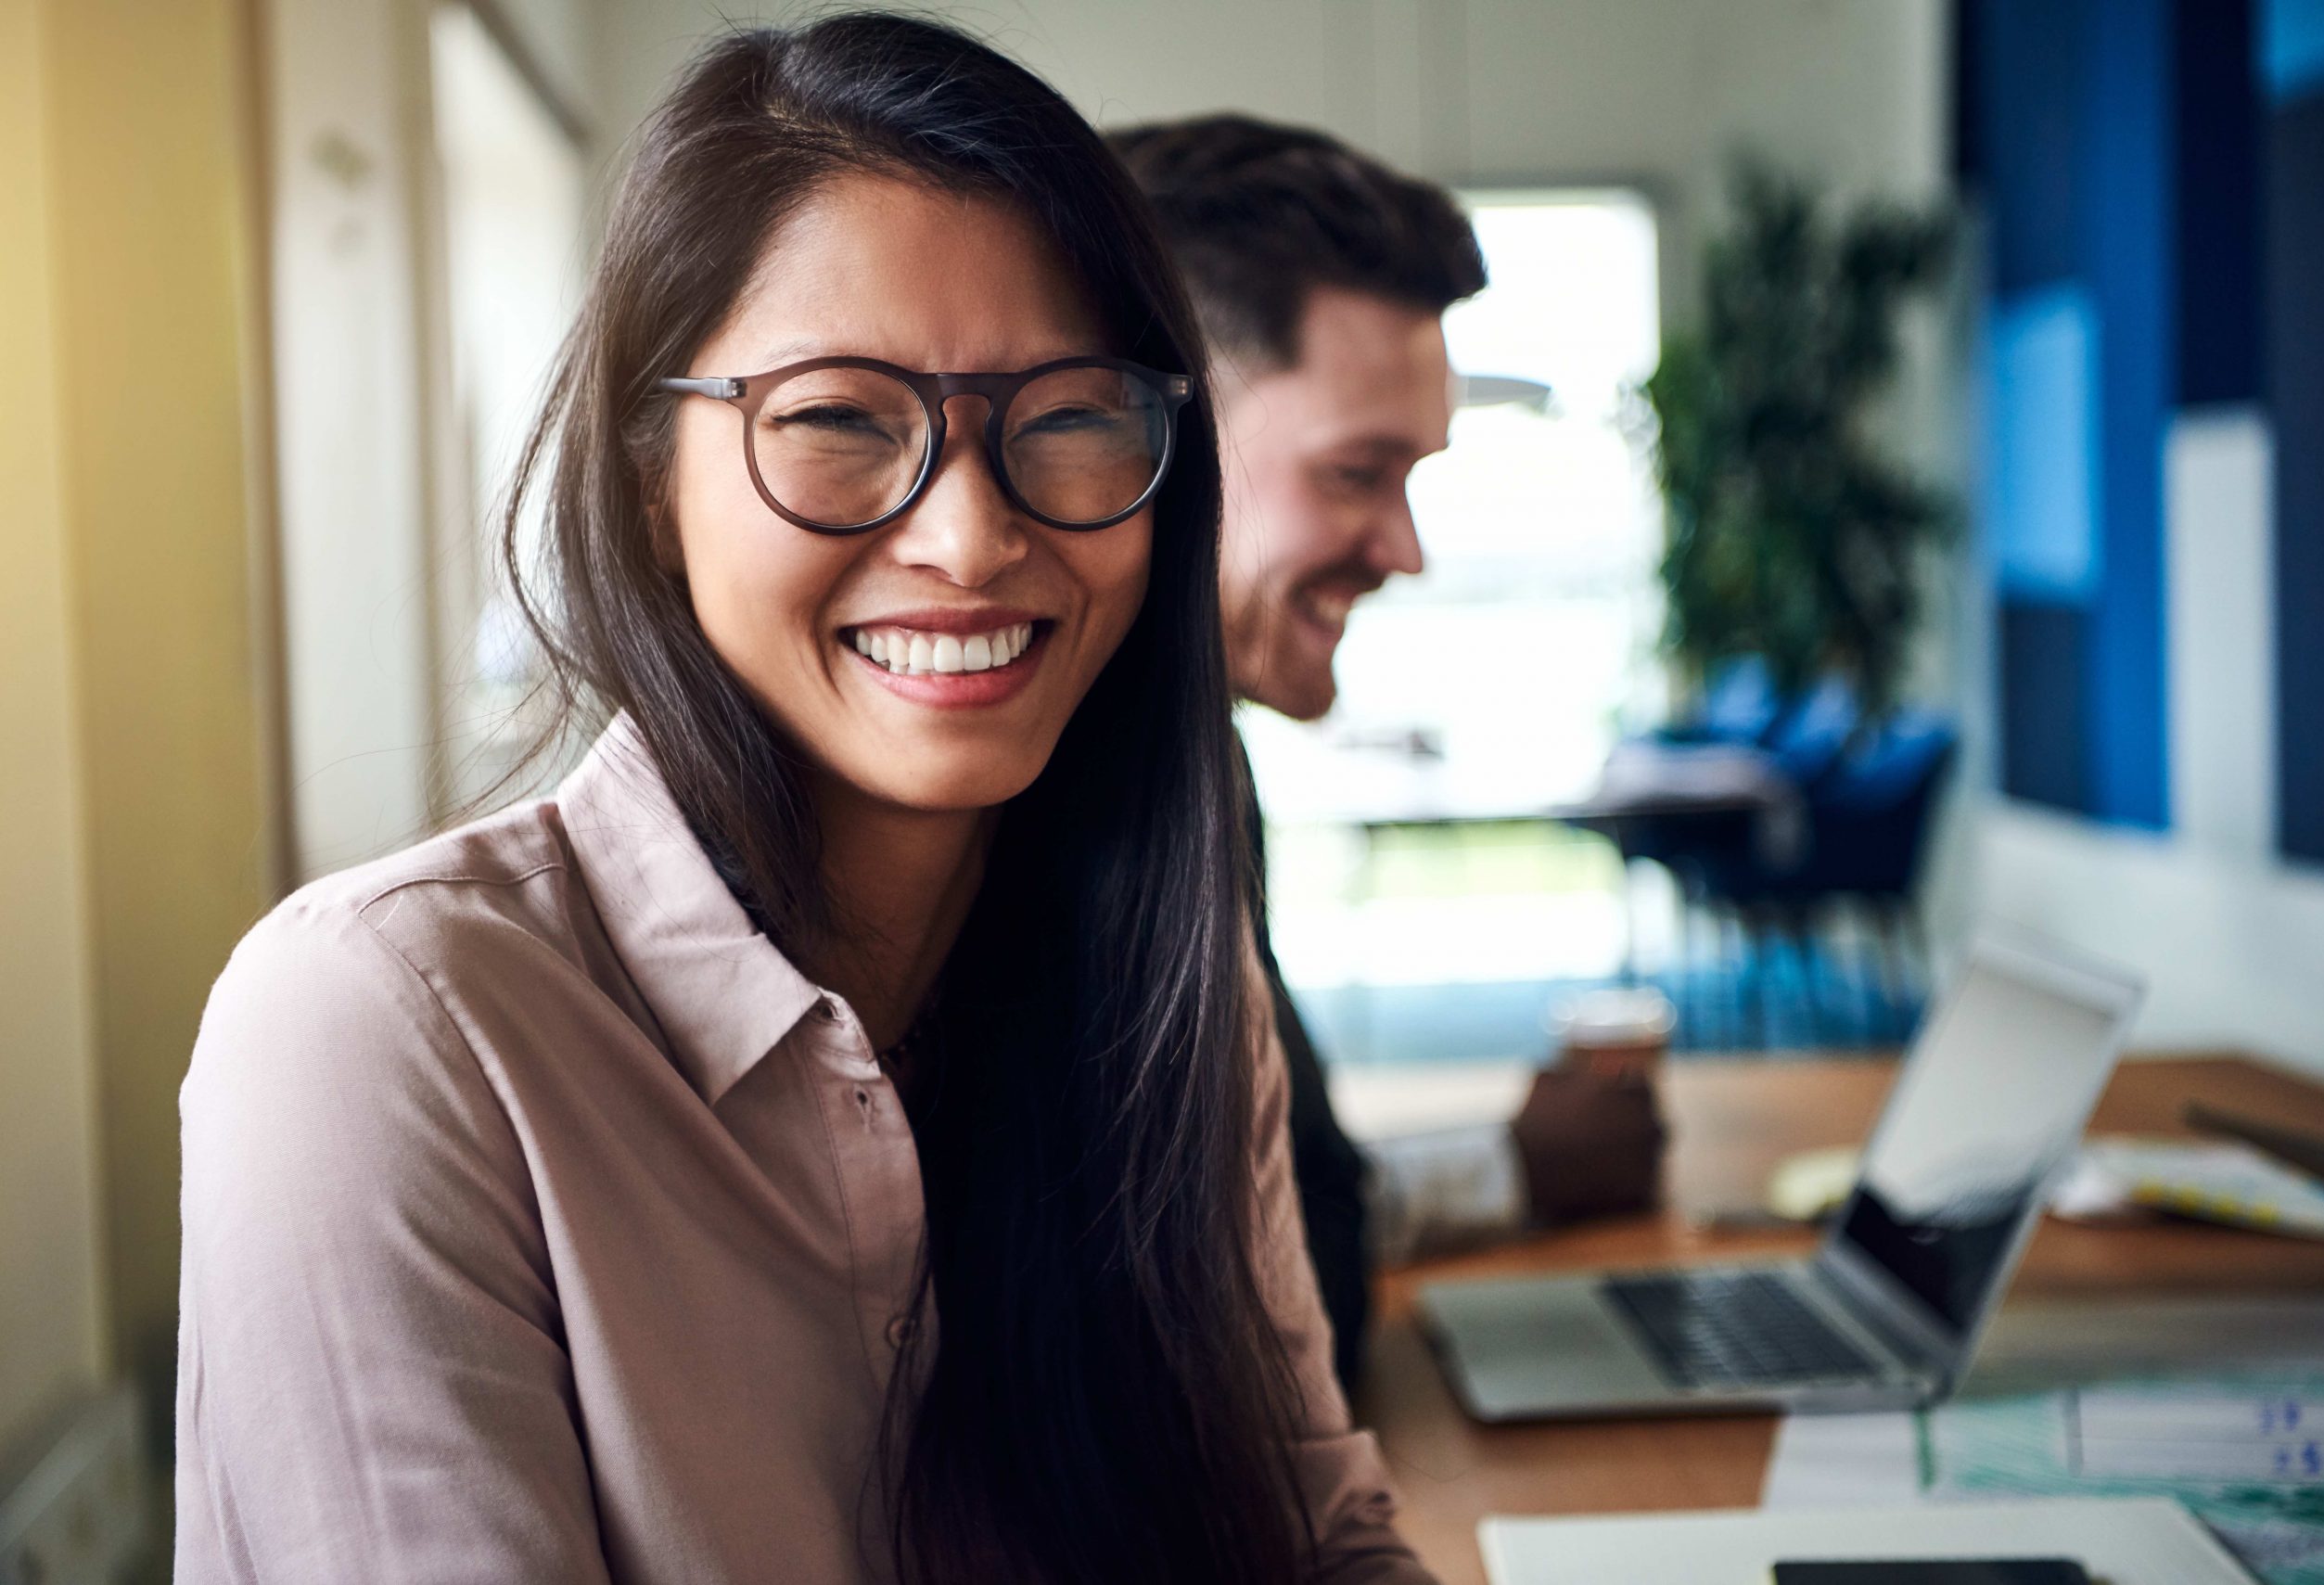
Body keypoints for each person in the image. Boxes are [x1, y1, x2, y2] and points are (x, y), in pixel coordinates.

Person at [174, 19, 1433, 1583]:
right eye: (839, 419)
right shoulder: (389, 1030)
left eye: (1068, 416)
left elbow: (1327, 1539)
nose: (971, 539)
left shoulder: (1158, 979)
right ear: (652, 475)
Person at [1113, 116, 1669, 1389]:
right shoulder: (1041, 821)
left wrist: (1510, 1169)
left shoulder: (1189, 766)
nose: (1406, 549)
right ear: (1131, 433)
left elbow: (1257, 1225)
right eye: (1357, 472)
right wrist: (1511, 1170)